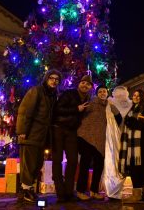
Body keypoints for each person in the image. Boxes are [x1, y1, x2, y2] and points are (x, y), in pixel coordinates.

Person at [16, 69, 62, 203]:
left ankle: (28, 189)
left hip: (42, 137)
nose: (54, 81)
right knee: (28, 164)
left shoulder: (53, 95)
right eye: (51, 78)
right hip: (31, 134)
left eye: (57, 79)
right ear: (46, 79)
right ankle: (25, 190)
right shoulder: (36, 91)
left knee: (37, 164)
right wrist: (22, 131)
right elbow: (25, 111)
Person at [51, 75, 92, 203]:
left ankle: (69, 192)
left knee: (73, 161)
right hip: (58, 128)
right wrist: (76, 109)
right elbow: (57, 109)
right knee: (57, 160)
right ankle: (60, 193)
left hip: (72, 131)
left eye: (88, 84)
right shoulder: (70, 93)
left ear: (90, 87)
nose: (85, 85)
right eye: (83, 82)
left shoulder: (88, 99)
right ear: (79, 83)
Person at [76, 85, 122, 200]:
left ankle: (94, 191)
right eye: (100, 91)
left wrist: (114, 109)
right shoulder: (91, 102)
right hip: (86, 138)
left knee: (99, 166)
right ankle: (81, 191)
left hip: (101, 139)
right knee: (85, 165)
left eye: (104, 91)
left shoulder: (109, 106)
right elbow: (80, 115)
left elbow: (119, 119)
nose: (102, 93)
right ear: (97, 94)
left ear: (107, 93)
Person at [119, 89, 144, 203]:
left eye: (139, 96)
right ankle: (137, 194)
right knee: (134, 169)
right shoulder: (132, 108)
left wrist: (133, 120)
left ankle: (138, 194)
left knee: (138, 169)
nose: (136, 97)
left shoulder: (143, 108)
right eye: (134, 95)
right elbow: (129, 122)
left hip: (139, 144)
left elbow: (142, 122)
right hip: (131, 143)